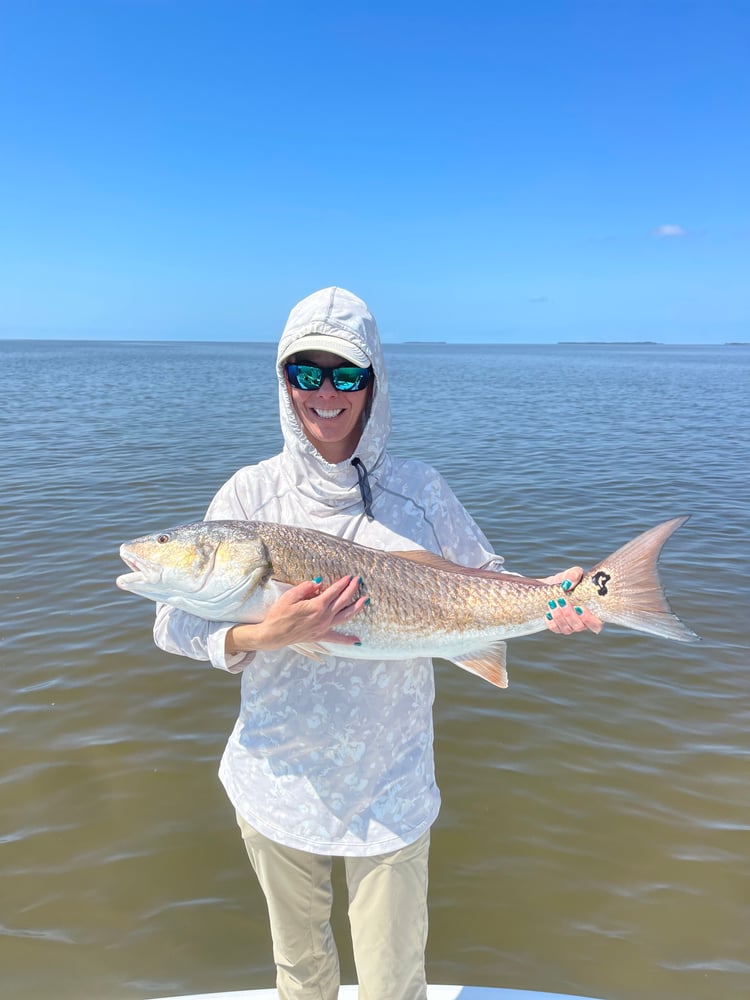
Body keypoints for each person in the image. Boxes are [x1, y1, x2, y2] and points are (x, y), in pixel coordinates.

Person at [153, 287, 602, 1000]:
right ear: (284, 380)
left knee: (395, 985)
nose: (325, 392)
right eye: (306, 372)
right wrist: (264, 634)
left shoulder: (420, 492)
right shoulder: (247, 500)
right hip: (277, 781)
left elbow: (485, 580)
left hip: (390, 784)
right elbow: (173, 625)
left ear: (373, 382)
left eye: (345, 373)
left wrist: (555, 600)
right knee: (301, 978)